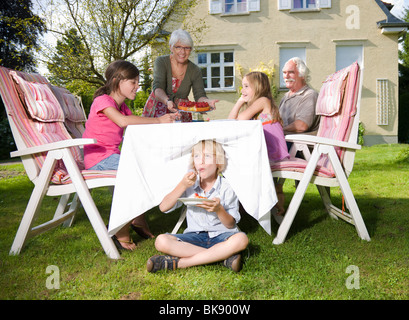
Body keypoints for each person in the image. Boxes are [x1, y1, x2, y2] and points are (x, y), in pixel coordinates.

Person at [83, 60, 177, 251]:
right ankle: (122, 229)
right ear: (118, 81)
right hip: (98, 159)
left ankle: (138, 217)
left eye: (137, 81)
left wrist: (161, 124)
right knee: (136, 172)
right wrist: (158, 120)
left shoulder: (122, 105)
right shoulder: (103, 101)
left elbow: (135, 126)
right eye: (133, 82)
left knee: (148, 165)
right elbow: (123, 122)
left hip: (111, 157)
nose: (137, 86)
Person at [146, 140, 249, 273]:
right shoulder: (189, 185)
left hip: (222, 236)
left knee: (241, 239)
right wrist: (182, 185)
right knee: (161, 241)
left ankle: (181, 263)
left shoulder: (227, 187)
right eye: (197, 156)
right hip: (194, 237)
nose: (201, 161)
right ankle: (223, 257)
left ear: (218, 161)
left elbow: (230, 225)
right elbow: (163, 207)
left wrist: (219, 210)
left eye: (207, 156)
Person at [228, 71, 289, 215]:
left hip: (272, 154)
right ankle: (243, 204)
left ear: (258, 87)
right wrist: (240, 102)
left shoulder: (263, 101)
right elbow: (231, 122)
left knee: (234, 164)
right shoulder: (259, 106)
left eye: (246, 86)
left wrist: (240, 102)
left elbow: (240, 119)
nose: (242, 91)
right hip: (265, 152)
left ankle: (240, 205)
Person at [142, 29, 218, 122]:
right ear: (171, 47)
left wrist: (207, 102)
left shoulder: (195, 70)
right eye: (178, 47)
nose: (183, 52)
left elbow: (199, 95)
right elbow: (158, 88)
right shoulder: (161, 62)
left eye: (187, 48)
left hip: (182, 111)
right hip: (158, 107)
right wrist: (167, 101)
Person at [279, 57, 319, 136]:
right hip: (284, 140)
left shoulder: (310, 95)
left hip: (298, 144)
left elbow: (302, 126)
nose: (286, 76)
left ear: (302, 75)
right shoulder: (286, 96)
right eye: (284, 72)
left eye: (291, 72)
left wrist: (279, 131)